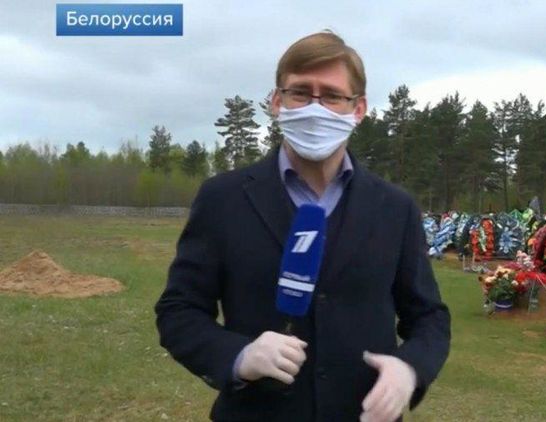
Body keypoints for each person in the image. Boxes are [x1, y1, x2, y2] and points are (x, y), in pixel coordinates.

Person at [155, 31, 451, 422]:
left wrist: (410, 368)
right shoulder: (222, 199)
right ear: (277, 102)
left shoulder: (396, 208)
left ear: (358, 108)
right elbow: (179, 311)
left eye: (332, 96)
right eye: (300, 93)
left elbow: (429, 317)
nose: (315, 108)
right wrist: (240, 356)